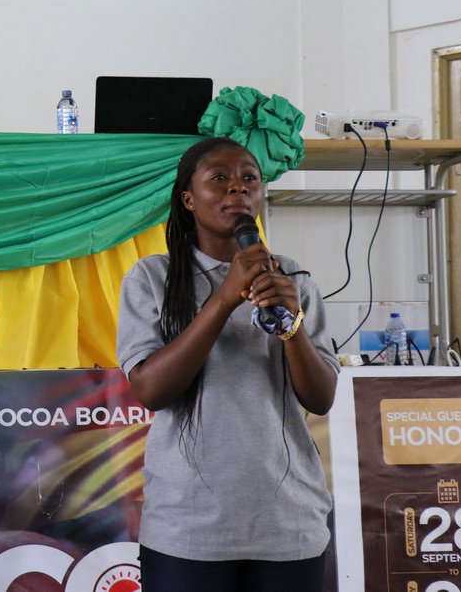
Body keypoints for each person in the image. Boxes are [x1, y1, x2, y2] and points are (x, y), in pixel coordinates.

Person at [115, 136, 339, 592]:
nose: (238, 189)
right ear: (189, 199)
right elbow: (150, 391)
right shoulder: (152, 278)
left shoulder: (293, 279)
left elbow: (320, 398)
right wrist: (224, 297)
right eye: (220, 179)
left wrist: (291, 324)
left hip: (289, 524)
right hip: (189, 529)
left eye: (250, 179)